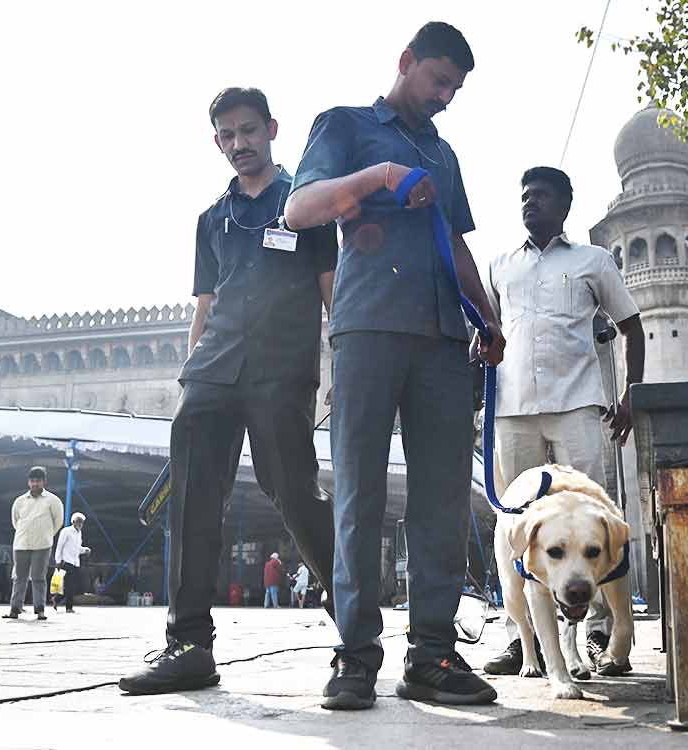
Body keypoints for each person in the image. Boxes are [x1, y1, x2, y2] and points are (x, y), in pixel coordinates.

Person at [284, 21, 504, 710]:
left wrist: (490, 317)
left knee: (440, 501)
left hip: (442, 339)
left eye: (457, 88)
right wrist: (378, 177)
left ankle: (433, 655)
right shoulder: (345, 125)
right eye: (439, 80)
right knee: (359, 495)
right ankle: (354, 657)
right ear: (406, 62)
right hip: (369, 328)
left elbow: (458, 245)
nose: (446, 96)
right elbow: (298, 210)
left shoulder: (444, 153)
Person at [118, 87, 340, 696]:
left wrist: (343, 366)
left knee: (291, 489)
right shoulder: (210, 219)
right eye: (227, 135)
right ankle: (187, 644)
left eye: (249, 131)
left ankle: (351, 618)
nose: (240, 144)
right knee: (192, 501)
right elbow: (206, 302)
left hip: (280, 369)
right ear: (217, 141)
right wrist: (190, 368)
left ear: (271, 128)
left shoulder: (305, 204)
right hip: (212, 371)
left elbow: (332, 292)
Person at [481, 167, 645, 677]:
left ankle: (598, 633)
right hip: (511, 407)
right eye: (524, 196)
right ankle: (520, 638)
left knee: (594, 521)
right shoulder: (500, 265)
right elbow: (488, 332)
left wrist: (631, 395)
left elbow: (632, 327)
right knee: (516, 526)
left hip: (576, 403)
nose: (530, 203)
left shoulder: (592, 261)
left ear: (565, 205)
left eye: (542, 196)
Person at [3, 466, 63, 621]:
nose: (35, 484)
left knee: (38, 578)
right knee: (19, 578)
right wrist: (26, 533)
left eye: (38, 481)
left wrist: (46, 536)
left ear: (44, 482)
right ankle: (15, 609)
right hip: (21, 544)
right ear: (28, 482)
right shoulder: (20, 501)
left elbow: (58, 522)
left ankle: (40, 610)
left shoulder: (53, 500)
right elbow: (16, 521)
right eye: (32, 481)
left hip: (42, 546)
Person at [54, 511, 92, 613]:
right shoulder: (66, 531)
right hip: (66, 561)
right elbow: (59, 546)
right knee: (70, 585)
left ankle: (56, 599)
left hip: (75, 562)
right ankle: (69, 607)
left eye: (82, 522)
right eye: (79, 522)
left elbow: (76, 548)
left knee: (74, 586)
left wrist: (85, 550)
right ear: (73, 521)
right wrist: (58, 560)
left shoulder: (79, 533)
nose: (80, 524)